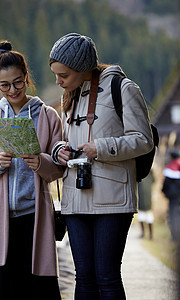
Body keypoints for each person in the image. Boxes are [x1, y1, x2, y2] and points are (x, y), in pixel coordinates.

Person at [49, 33, 153, 300]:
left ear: (82, 68)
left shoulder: (124, 88)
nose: (58, 81)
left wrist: (101, 148)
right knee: (82, 277)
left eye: (64, 75)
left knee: (106, 277)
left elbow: (144, 140)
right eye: (56, 74)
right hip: (75, 198)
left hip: (114, 200)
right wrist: (59, 149)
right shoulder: (69, 96)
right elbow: (63, 139)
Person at [0, 41, 63, 300]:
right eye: (4, 85)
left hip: (34, 216)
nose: (12, 90)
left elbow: (60, 167)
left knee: (37, 288)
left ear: (27, 78)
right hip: (1, 218)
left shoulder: (47, 116)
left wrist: (43, 163)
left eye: (18, 82)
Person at [162, 152, 180, 241]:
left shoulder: (171, 168)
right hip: (179, 196)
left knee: (172, 216)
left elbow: (165, 184)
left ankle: (174, 237)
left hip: (172, 197)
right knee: (179, 215)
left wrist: (164, 192)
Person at [137, 170, 155, 240]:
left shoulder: (150, 174)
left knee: (149, 218)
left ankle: (151, 235)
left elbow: (154, 180)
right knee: (141, 217)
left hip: (148, 200)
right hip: (141, 200)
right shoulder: (139, 174)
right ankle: (143, 233)